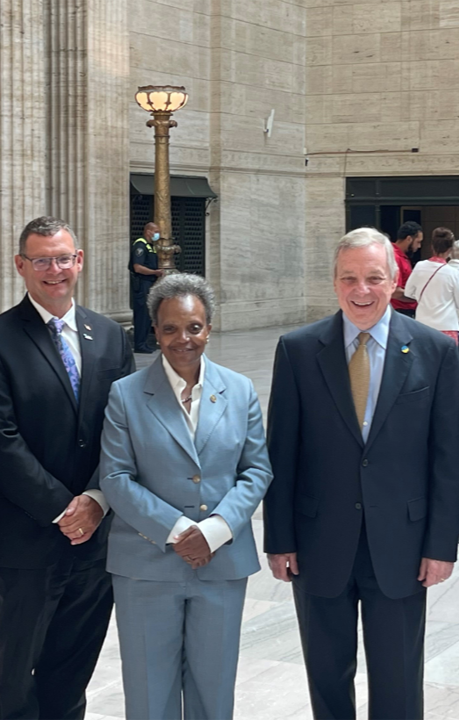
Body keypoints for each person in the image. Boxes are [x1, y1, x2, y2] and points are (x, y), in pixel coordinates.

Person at [264, 227, 459, 719]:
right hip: (318, 543)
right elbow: (282, 452)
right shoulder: (298, 350)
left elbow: (449, 456)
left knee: (398, 679)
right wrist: (279, 539)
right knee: (327, 676)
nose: (361, 290)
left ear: (396, 279)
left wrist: (441, 545)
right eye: (349, 277)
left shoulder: (435, 351)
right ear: (333, 282)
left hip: (402, 545)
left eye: (374, 277)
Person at [0, 216, 135, 719]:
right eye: (41, 260)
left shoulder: (109, 336)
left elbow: (124, 431)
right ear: (21, 266)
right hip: (26, 537)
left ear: (79, 261)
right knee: (17, 669)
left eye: (63, 258)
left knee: (73, 666)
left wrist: (97, 501)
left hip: (96, 537)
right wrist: (65, 508)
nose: (54, 269)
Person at [98, 273, 273, 720]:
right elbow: (116, 477)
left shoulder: (239, 390)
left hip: (222, 563)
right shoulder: (126, 395)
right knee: (148, 693)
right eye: (170, 328)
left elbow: (256, 469)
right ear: (154, 331)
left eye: (193, 327)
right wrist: (178, 531)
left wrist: (214, 530)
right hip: (145, 567)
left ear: (209, 327)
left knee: (213, 693)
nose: (183, 339)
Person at [405, 226, 459, 340]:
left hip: (422, 325)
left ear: (432, 246)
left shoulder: (419, 266)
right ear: (450, 250)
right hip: (447, 325)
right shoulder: (453, 273)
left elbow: (408, 292)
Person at [130, 222, 165, 354]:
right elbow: (137, 267)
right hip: (142, 283)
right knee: (142, 314)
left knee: (147, 314)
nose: (158, 234)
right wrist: (155, 272)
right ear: (149, 231)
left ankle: (144, 342)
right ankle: (139, 344)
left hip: (149, 283)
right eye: (156, 231)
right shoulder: (140, 245)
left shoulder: (150, 246)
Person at [390, 221, 423, 317]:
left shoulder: (401, 256)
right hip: (401, 311)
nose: (419, 246)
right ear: (409, 239)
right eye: (418, 242)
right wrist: (420, 296)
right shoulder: (395, 257)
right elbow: (395, 292)